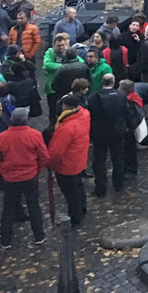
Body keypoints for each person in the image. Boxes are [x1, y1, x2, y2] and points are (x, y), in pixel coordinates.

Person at [0, 107, 48, 248]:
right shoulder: (34, 135)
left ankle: (5, 240)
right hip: (30, 176)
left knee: (8, 208)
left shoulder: (2, 137)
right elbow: (44, 157)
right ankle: (39, 235)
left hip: (9, 177)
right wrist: (36, 169)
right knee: (34, 206)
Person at [87, 73, 133, 198]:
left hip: (99, 133)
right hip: (117, 132)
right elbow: (127, 114)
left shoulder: (93, 98)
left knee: (99, 160)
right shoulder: (121, 96)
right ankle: (118, 184)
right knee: (118, 158)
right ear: (114, 82)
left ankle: (100, 187)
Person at [47, 94, 90, 227]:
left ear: (65, 107)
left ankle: (74, 217)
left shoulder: (66, 127)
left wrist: (49, 163)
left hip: (67, 165)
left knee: (71, 194)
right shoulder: (84, 114)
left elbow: (57, 151)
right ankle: (82, 208)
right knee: (78, 186)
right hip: (79, 159)